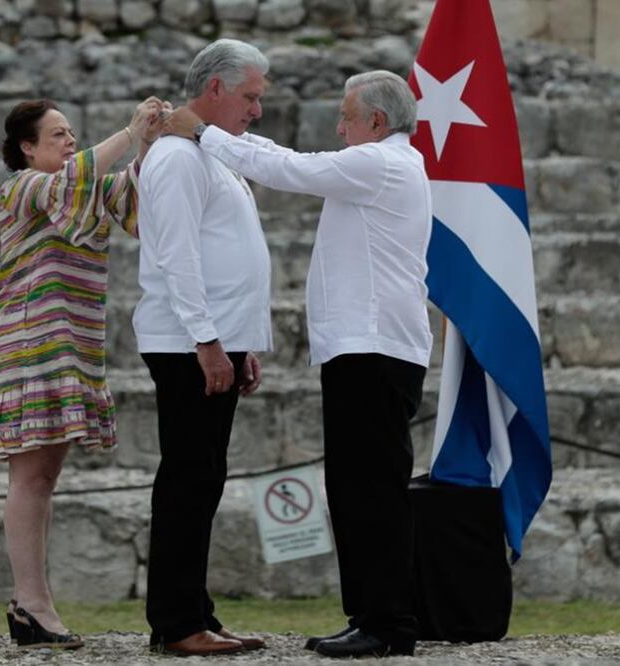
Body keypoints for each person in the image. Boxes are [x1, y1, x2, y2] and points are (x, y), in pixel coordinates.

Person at [165, 70, 433, 658]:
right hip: (362, 349)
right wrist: (215, 133)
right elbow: (288, 156)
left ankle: (389, 623)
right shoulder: (377, 164)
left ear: (377, 123)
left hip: (375, 349)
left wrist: (203, 132)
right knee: (354, 485)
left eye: (346, 116)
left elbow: (288, 170)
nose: (339, 127)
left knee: (372, 489)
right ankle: (370, 614)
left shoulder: (381, 164)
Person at [0, 96, 163, 648]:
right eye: (58, 135)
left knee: (44, 478)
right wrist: (129, 132)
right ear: (27, 148)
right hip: (28, 343)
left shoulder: (85, 185)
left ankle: (31, 602)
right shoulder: (21, 188)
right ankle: (31, 602)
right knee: (30, 477)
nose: (69, 143)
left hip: (74, 344)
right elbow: (78, 178)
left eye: (71, 133)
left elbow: (134, 204)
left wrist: (152, 144)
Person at [133, 38, 273, 657]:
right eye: (250, 96)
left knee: (204, 476)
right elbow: (178, 258)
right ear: (214, 88)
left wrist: (240, 343)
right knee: (190, 478)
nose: (257, 109)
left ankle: (195, 611)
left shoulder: (213, 155)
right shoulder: (178, 159)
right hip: (187, 343)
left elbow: (227, 256)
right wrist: (208, 341)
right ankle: (177, 621)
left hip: (214, 340)